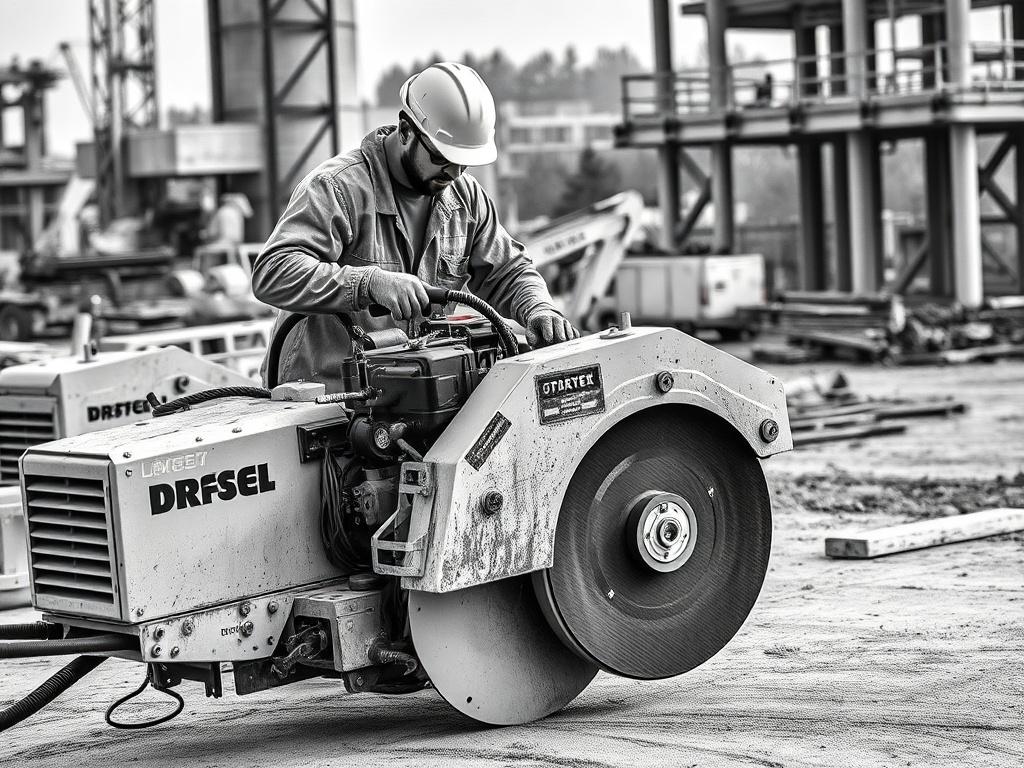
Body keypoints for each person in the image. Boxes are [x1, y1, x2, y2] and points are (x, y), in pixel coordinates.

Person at [252, 61, 578, 391]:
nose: (454, 173)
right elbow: (273, 272)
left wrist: (538, 307)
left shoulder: (465, 198)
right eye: (442, 157)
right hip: (320, 396)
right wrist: (368, 283)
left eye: (463, 162)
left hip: (408, 395)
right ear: (406, 130)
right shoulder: (338, 188)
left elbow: (507, 271)